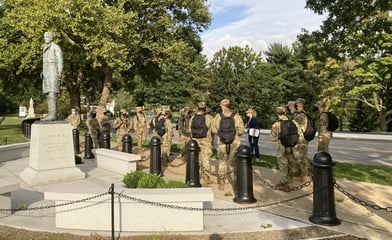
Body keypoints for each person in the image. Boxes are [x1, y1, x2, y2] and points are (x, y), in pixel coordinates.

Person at [213, 99, 244, 191]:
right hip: (234, 142)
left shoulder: (218, 116)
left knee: (222, 161)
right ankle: (236, 183)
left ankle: (221, 183)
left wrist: (221, 133)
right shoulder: (236, 116)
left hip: (222, 141)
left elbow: (214, 130)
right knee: (234, 163)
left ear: (222, 106)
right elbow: (241, 131)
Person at [270, 106, 302, 190]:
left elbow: (274, 139)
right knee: (291, 160)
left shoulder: (276, 124)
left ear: (277, 113)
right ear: (285, 112)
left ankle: (284, 181)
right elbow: (299, 133)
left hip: (282, 146)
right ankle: (291, 178)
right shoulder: (293, 122)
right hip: (292, 145)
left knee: (283, 163)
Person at [189, 102, 214, 185]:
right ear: (205, 108)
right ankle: (206, 178)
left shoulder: (193, 117)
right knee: (206, 159)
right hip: (206, 141)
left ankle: (195, 176)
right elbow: (214, 130)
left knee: (197, 158)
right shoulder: (209, 118)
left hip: (195, 141)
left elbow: (190, 129)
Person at [41, 32, 63, 121]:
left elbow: (60, 60)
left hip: (53, 70)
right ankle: (50, 113)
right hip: (46, 71)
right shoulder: (45, 48)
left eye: (47, 37)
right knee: (47, 93)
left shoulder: (56, 47)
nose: (45, 38)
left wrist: (59, 73)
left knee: (52, 92)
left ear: (51, 38)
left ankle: (53, 114)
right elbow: (44, 61)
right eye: (44, 37)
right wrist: (43, 71)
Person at [293, 98, 311, 181]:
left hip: (300, 138)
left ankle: (305, 175)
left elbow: (295, 126)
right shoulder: (303, 113)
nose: (296, 105)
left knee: (300, 156)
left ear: (300, 104)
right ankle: (301, 172)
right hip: (302, 138)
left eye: (297, 104)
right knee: (301, 156)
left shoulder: (301, 115)